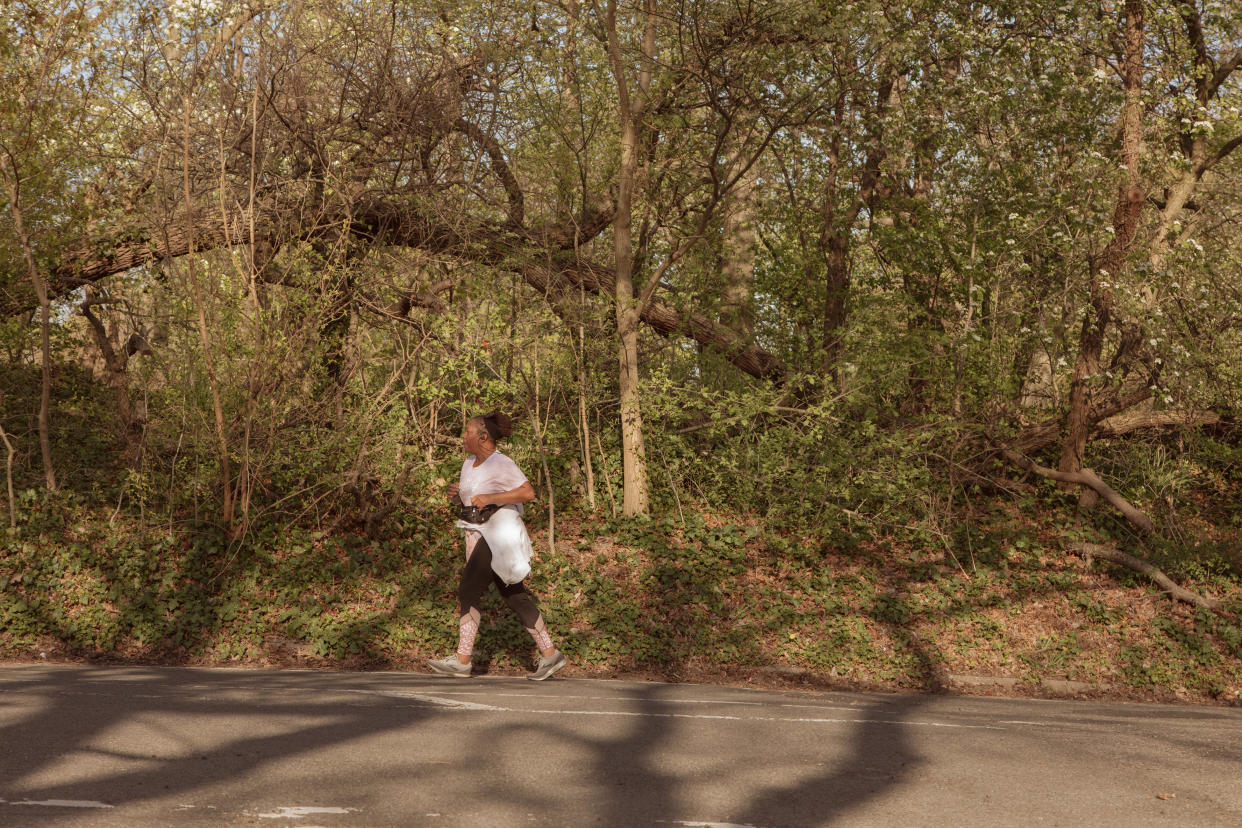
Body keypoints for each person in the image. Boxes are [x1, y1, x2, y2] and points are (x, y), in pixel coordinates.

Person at [427, 412, 567, 681]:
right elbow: (470, 504)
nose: (463, 437)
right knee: (513, 595)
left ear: (483, 436)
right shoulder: (468, 463)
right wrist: (456, 497)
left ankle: (462, 660)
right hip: (476, 534)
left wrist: (492, 496)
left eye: (468, 432)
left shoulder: (501, 463)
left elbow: (527, 492)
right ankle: (551, 655)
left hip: (498, 534)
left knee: (469, 589)